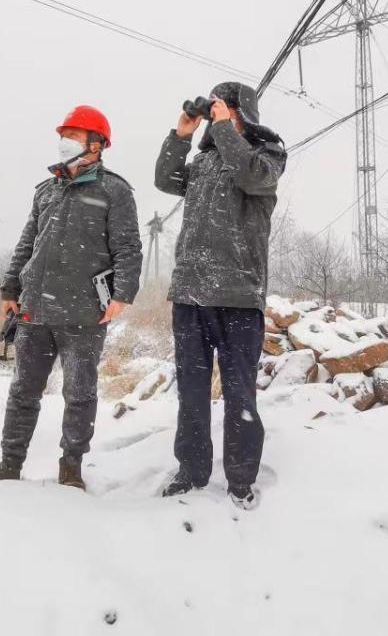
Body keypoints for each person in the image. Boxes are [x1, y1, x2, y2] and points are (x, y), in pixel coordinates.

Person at [0, 105, 142, 490]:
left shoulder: (115, 191)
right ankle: (9, 465)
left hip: (84, 315)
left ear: (96, 145)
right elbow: (27, 243)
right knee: (23, 392)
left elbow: (128, 248)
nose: (63, 144)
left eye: (72, 137)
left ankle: (71, 467)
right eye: (63, 137)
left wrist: (122, 294)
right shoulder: (46, 190)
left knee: (79, 394)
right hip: (34, 311)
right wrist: (11, 289)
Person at [153, 82, 287, 509]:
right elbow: (165, 179)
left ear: (243, 114)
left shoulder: (267, 157)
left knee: (239, 393)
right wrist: (181, 135)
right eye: (216, 110)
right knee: (192, 392)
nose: (218, 116)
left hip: (239, 297)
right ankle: (191, 472)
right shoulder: (204, 162)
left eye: (226, 110)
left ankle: (241, 480)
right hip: (192, 295)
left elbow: (250, 174)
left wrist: (227, 129)